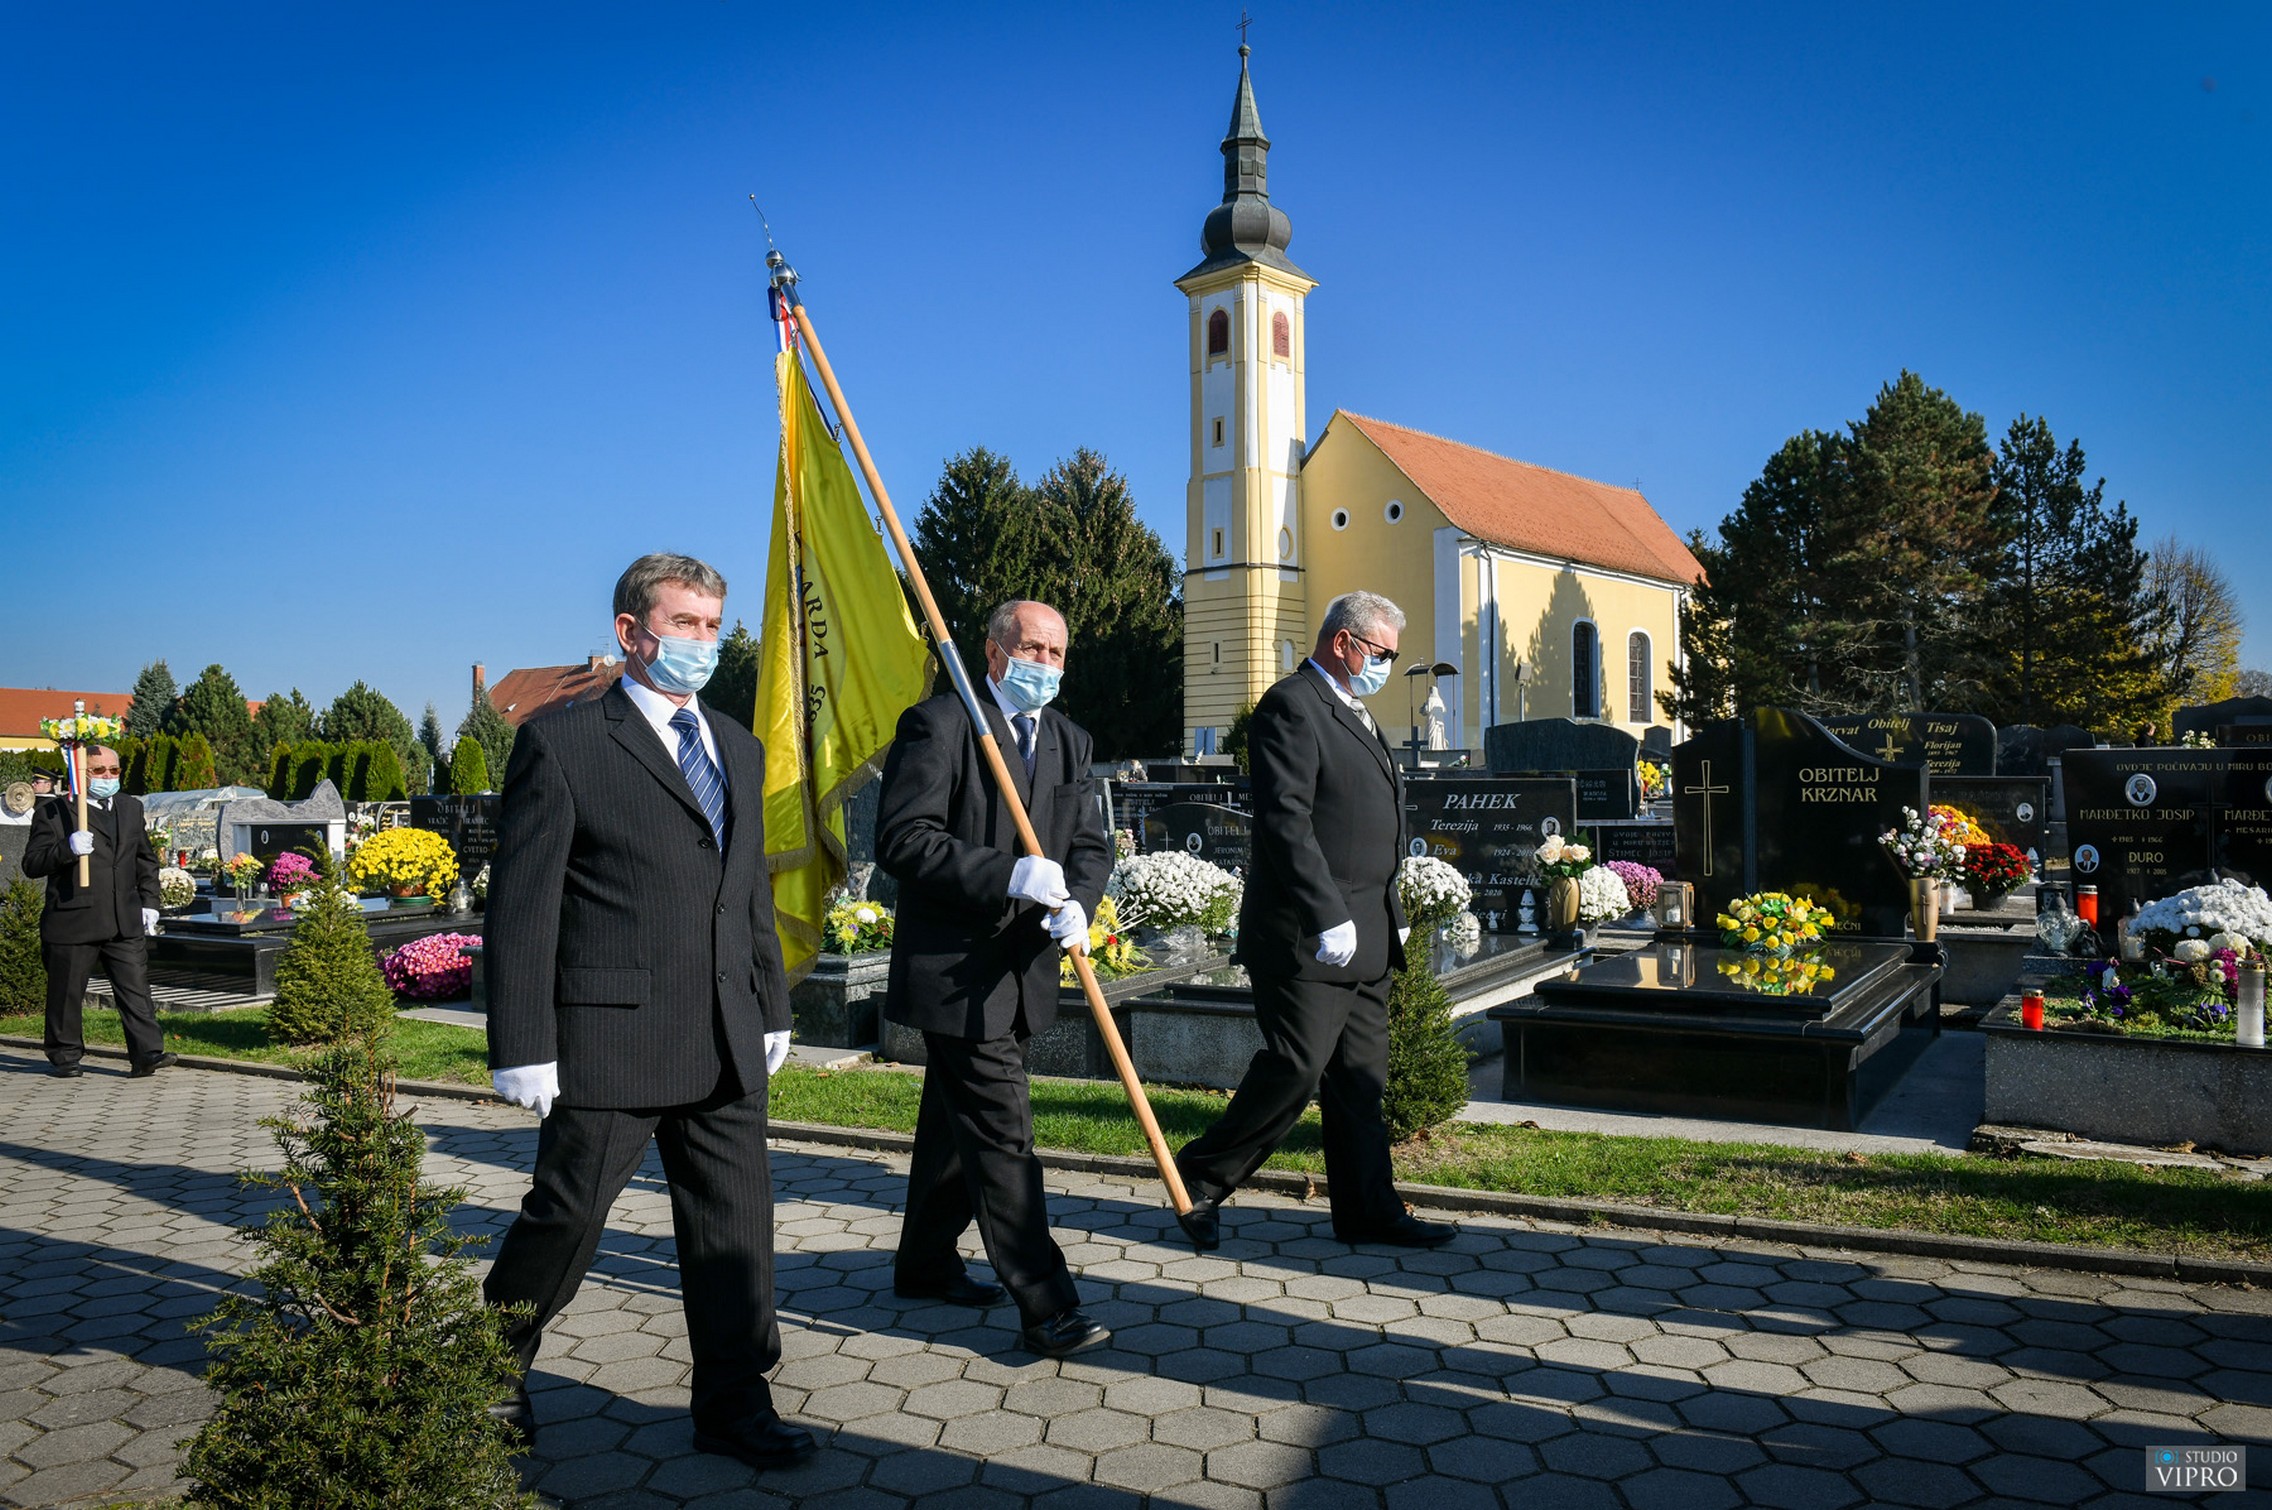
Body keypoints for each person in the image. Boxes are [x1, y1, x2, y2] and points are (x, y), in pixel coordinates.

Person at [481, 553, 811, 1468]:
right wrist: (523, 1043)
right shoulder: (566, 742)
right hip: (610, 1041)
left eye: (712, 625)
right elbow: (524, 902)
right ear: (631, 632)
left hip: (723, 1036)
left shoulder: (736, 746)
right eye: (684, 624)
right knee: (565, 1222)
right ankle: (486, 1371)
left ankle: (737, 1406)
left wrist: (770, 1001)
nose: (701, 642)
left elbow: (741, 891)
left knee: (736, 1232)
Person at [1173, 591, 1456, 1251]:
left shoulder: (1353, 708)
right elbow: (1286, 819)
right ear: (1343, 642)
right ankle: (1200, 1175)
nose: (1387, 665)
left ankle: (1368, 1211)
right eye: (1381, 652)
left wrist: (1390, 911)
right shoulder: (1292, 705)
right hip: (1309, 934)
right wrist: (1328, 913)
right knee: (1297, 1066)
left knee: (1361, 1080)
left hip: (1369, 930)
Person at [875, 599, 1114, 1359]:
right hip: (955, 973)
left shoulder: (1071, 740)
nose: (1045, 663)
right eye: (1031, 647)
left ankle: (923, 1263)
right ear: (993, 650)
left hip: (1021, 967)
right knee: (1003, 1136)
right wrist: (1005, 872)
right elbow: (903, 840)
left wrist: (1077, 904)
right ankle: (1047, 1304)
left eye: (1057, 651)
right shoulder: (942, 724)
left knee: (955, 1127)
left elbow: (1089, 843)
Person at [22, 745, 175, 1079]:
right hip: (74, 918)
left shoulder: (130, 808)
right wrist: (67, 848)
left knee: (135, 989)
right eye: (99, 771)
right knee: (66, 993)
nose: (108, 777)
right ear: (81, 773)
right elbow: (32, 863)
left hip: (123, 916)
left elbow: (144, 860)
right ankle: (64, 1056)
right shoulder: (55, 812)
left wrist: (150, 902)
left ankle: (146, 1053)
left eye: (114, 771)